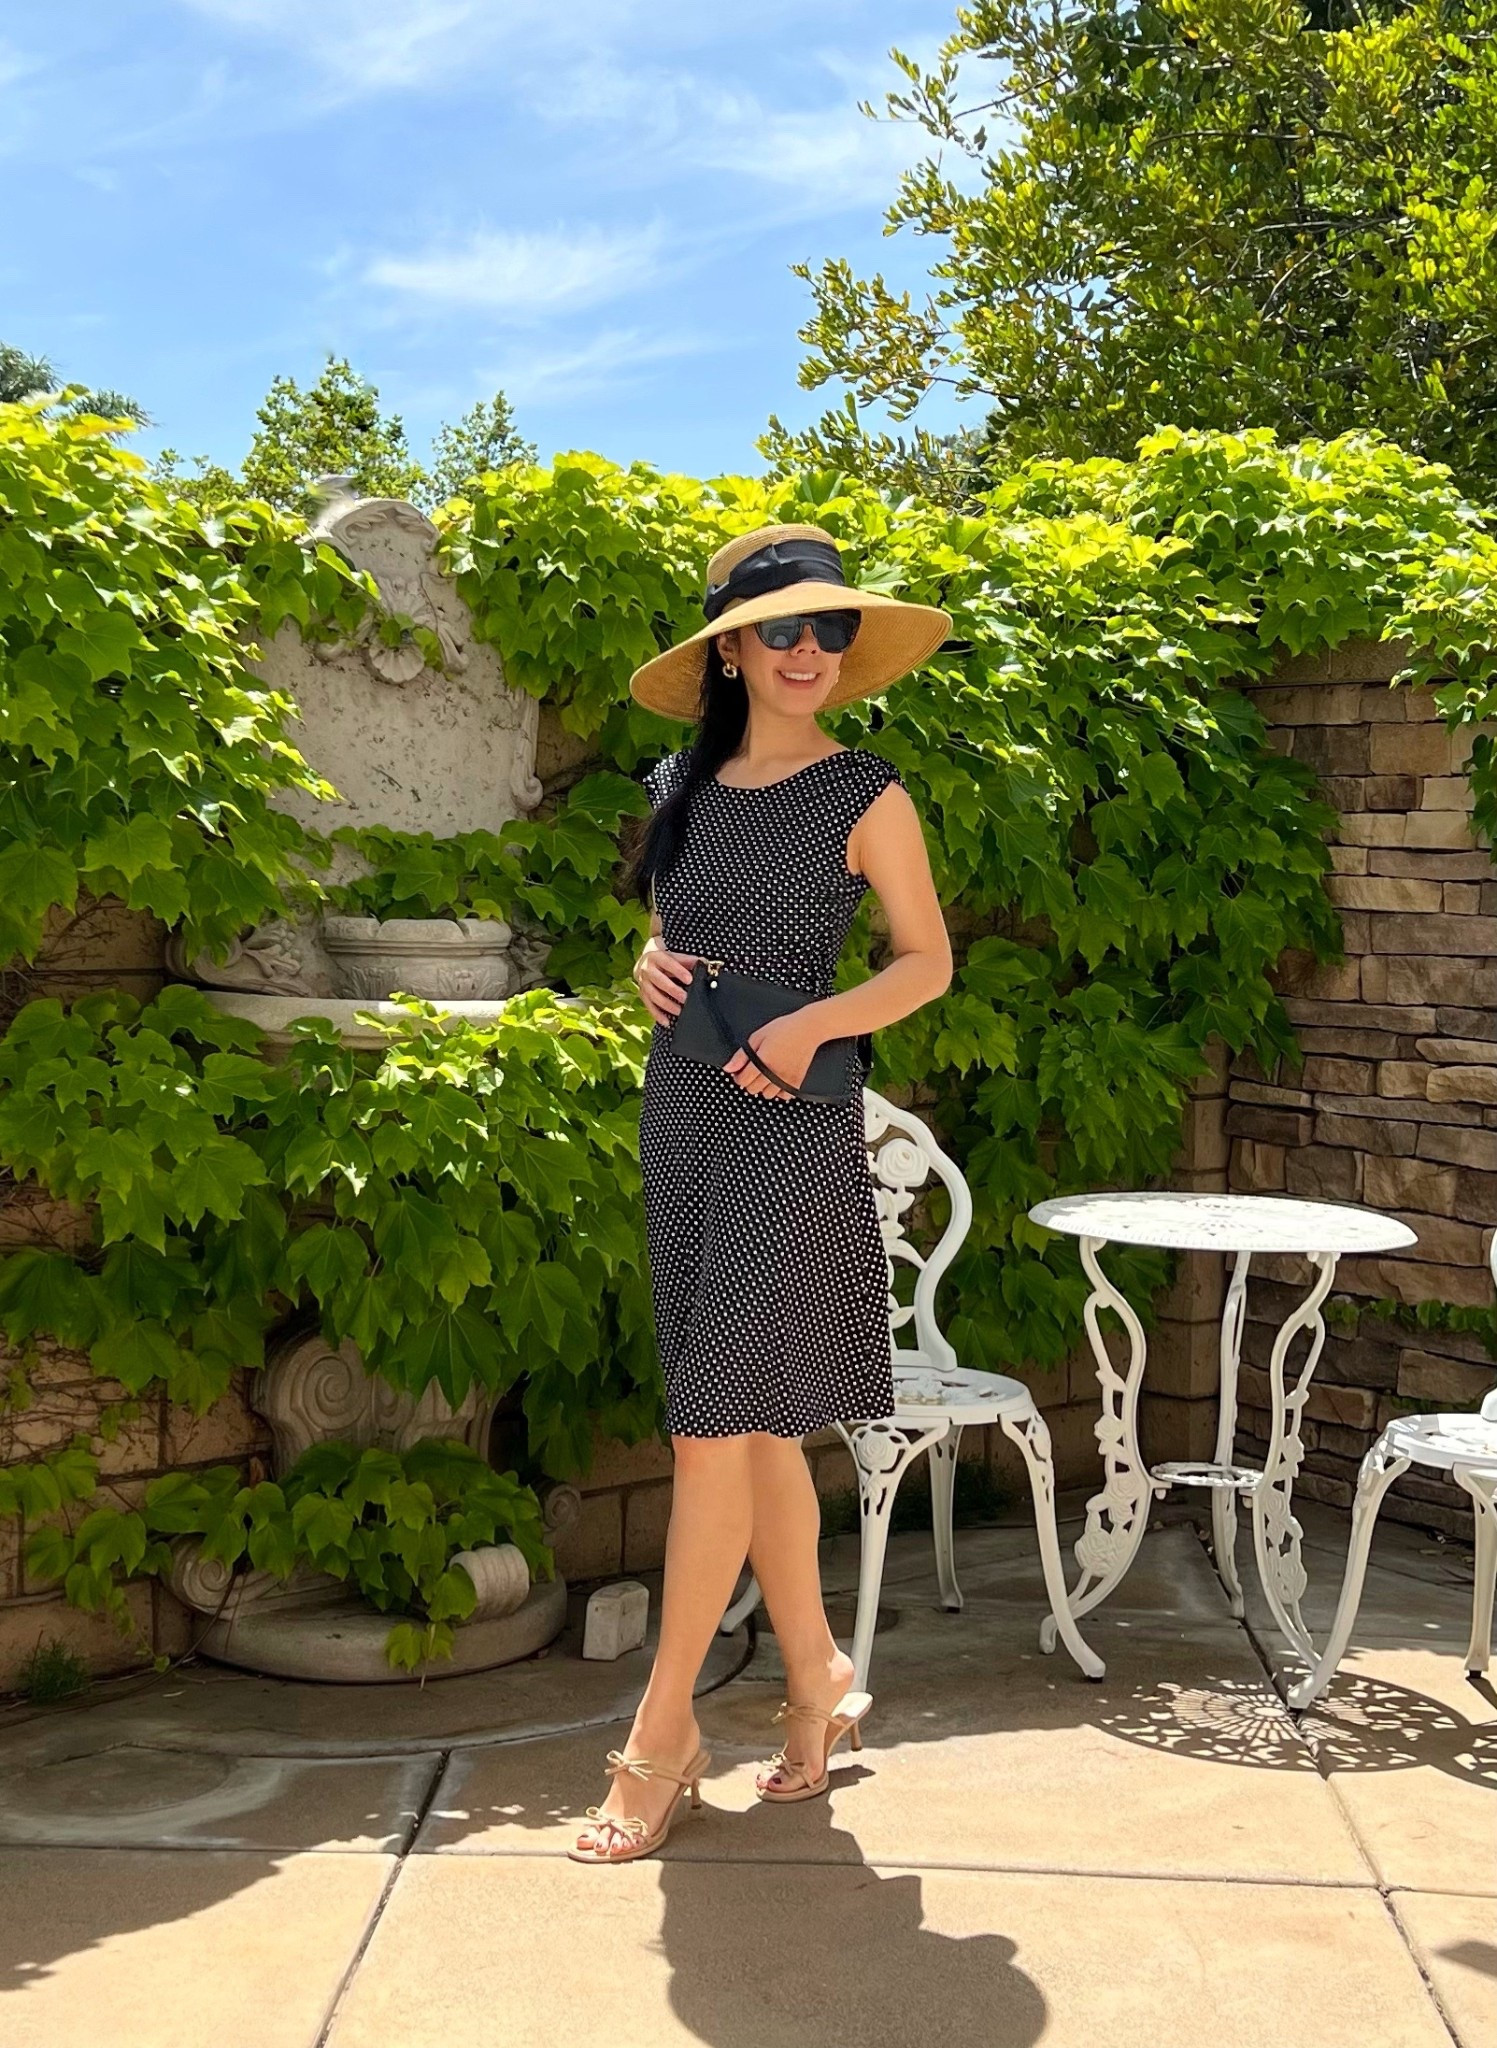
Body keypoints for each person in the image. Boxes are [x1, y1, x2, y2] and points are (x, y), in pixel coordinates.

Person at [569, 524, 954, 1864]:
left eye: (830, 630)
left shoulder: (867, 793)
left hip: (790, 1123)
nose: (807, 653)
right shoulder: (682, 779)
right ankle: (814, 1690)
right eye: (781, 630)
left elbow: (924, 965)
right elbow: (678, 928)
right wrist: (649, 967)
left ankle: (662, 1728)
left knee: (709, 1428)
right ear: (729, 647)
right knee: (758, 1431)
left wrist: (809, 1026)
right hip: (679, 1114)